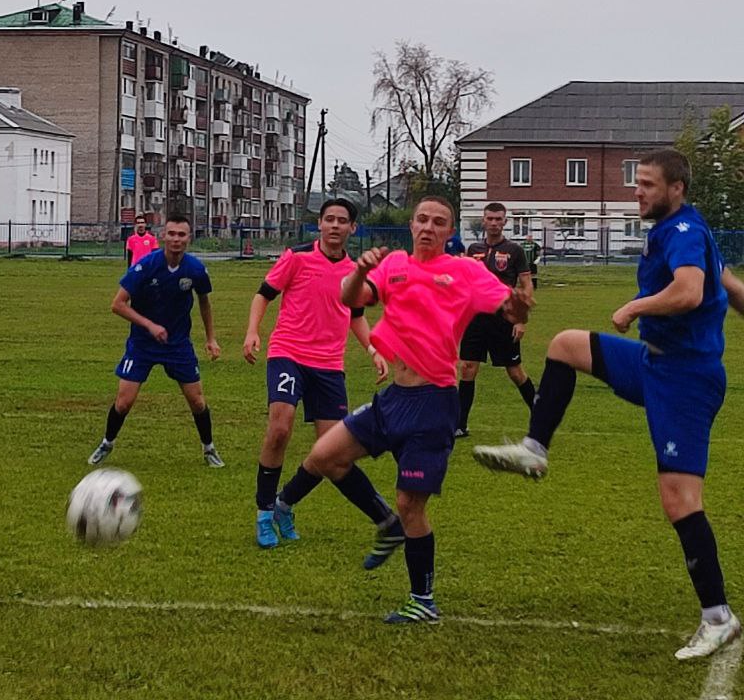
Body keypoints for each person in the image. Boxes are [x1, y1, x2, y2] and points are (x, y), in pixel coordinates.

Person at [474, 149, 744, 660]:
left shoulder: (684, 233)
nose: (636, 192)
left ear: (676, 189)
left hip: (685, 380)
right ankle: (535, 447)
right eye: (636, 183)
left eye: (646, 184)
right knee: (564, 345)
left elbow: (690, 292)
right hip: (654, 363)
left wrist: (635, 306)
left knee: (679, 501)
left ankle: (718, 617)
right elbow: (729, 286)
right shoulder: (684, 230)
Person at [303, 196, 530, 623]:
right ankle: (385, 523)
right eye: (422, 219)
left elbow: (507, 306)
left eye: (439, 222)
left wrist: (518, 306)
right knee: (323, 457)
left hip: (433, 402)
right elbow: (350, 299)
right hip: (393, 400)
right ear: (411, 225)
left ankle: (422, 601)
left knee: (412, 506)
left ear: (450, 232)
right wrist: (361, 270)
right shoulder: (394, 266)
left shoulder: (465, 271)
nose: (428, 227)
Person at [243, 198, 404, 559]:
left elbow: (356, 316)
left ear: (352, 228)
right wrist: (253, 330)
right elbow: (264, 294)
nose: (334, 225)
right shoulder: (297, 257)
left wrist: (373, 349)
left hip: (329, 364)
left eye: (341, 220)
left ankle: (287, 503)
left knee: (330, 453)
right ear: (319, 224)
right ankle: (264, 513)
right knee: (280, 427)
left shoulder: (354, 270)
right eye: (328, 219)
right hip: (288, 353)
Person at [88, 213, 223, 467]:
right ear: (163, 236)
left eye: (181, 235)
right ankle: (107, 443)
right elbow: (117, 305)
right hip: (143, 344)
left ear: (189, 239)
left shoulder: (195, 269)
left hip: (178, 345)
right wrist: (149, 325)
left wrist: (211, 339)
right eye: (171, 234)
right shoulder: (146, 266)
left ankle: (209, 449)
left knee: (197, 401)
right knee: (124, 401)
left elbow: (204, 302)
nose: (176, 239)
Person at [456, 202, 537, 437]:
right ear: (484, 220)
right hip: (476, 319)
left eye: (498, 219)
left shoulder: (515, 250)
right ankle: (460, 425)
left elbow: (526, 284)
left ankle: (541, 416)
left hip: (504, 319)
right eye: (489, 218)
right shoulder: (474, 250)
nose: (493, 223)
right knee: (468, 368)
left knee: (515, 371)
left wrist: (521, 319)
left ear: (505, 222)